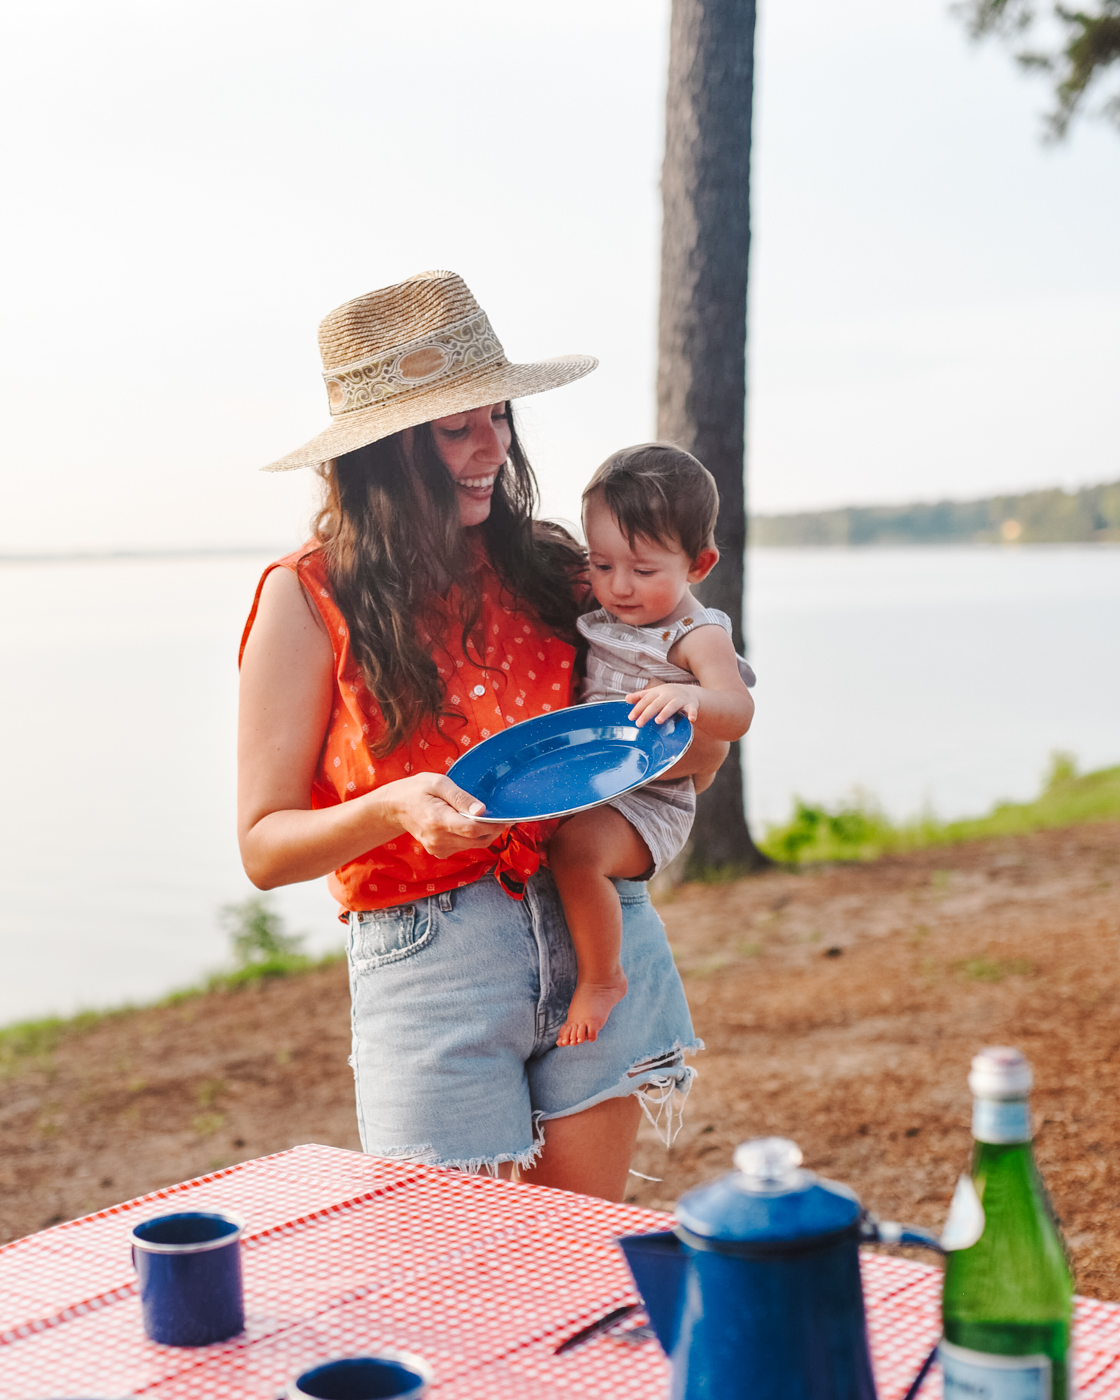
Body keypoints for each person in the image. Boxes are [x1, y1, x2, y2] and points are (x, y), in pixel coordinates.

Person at [237, 271, 728, 1200]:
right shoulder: (305, 597)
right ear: (382, 451)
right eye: (456, 428)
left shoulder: (553, 565)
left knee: (576, 1269)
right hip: (432, 970)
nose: (491, 448)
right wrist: (392, 808)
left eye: (498, 417)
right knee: (461, 1290)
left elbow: (693, 741)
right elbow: (264, 849)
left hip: (597, 940)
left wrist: (696, 725)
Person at [551, 445, 756, 1047]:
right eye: (602, 564)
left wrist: (694, 701)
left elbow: (738, 711)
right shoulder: (610, 607)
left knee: (576, 852)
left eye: (643, 571)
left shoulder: (697, 635)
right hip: (601, 779)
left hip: (651, 803)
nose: (619, 587)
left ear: (699, 563)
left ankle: (602, 978)